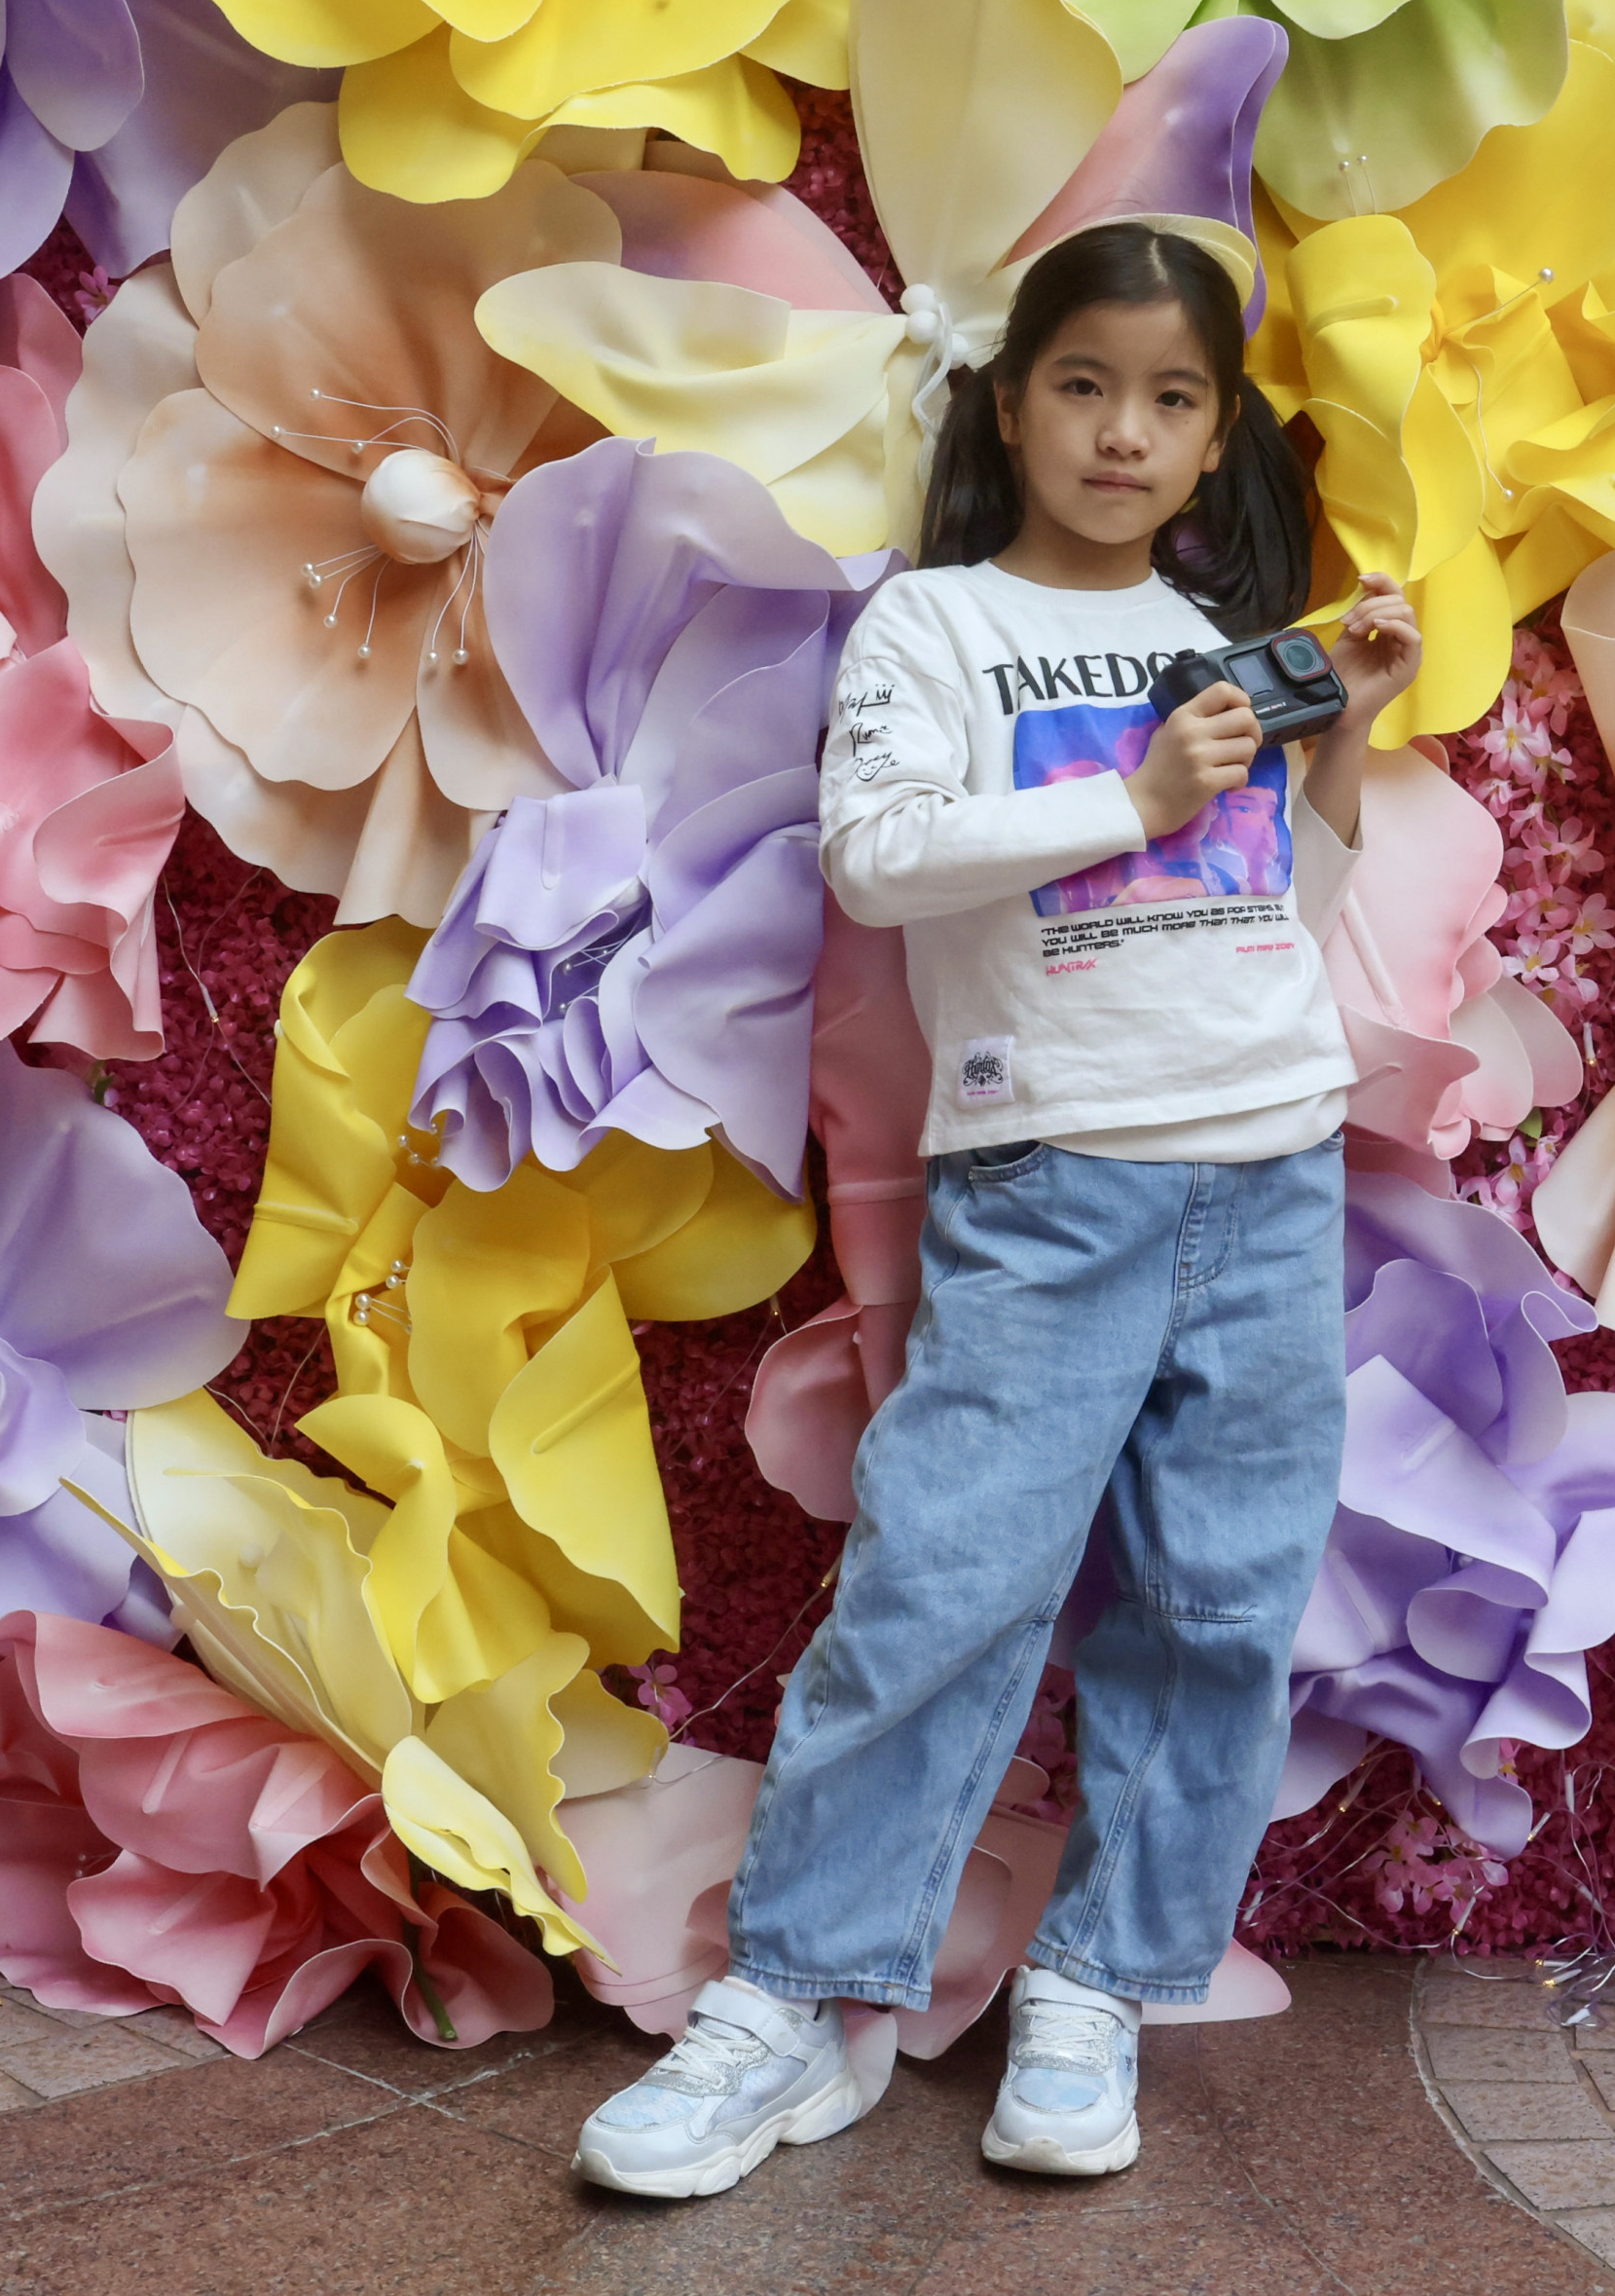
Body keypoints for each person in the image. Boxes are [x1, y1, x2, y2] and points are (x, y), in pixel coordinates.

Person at [572, 222, 1422, 2198]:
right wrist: (1136, 795)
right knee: (943, 1582)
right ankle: (792, 1996)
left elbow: (1281, 903)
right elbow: (877, 859)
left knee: (1219, 1608)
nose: (1124, 432)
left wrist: (1344, 724)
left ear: (1213, 438)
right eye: (1085, 386)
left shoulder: (1218, 636)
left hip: (1270, 1169)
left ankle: (1099, 1986)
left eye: (1171, 399)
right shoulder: (934, 628)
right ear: (1013, 402)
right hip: (1048, 1180)